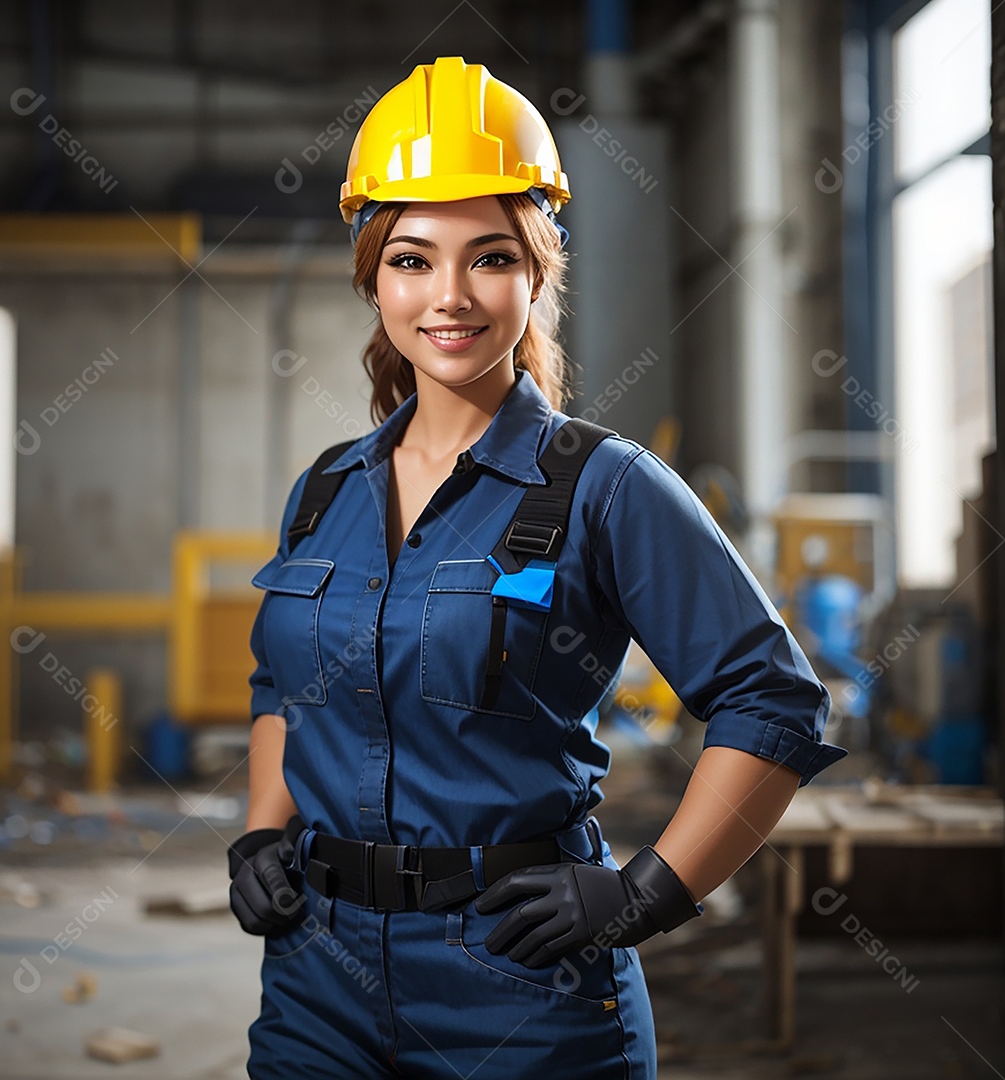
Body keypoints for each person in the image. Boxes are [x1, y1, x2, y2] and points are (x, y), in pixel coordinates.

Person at [227, 56, 847, 1080]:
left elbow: (770, 702)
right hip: (315, 986)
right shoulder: (327, 491)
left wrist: (650, 891)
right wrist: (260, 835)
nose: (452, 296)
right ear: (373, 274)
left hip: (523, 991)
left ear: (538, 272)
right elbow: (280, 687)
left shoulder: (606, 488)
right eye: (414, 260)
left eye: (492, 257)